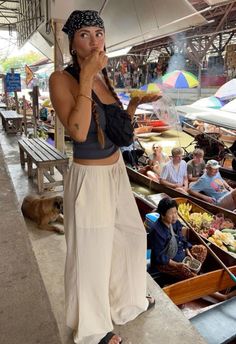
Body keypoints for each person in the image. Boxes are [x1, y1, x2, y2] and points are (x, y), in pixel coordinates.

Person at [49, 10, 158, 344]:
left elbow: (119, 134)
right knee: (90, 255)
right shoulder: (61, 79)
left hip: (116, 173)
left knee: (131, 238)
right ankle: (93, 329)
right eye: (85, 35)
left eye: (99, 33)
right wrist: (86, 76)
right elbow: (80, 131)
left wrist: (135, 105)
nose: (95, 41)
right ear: (72, 42)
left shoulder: (103, 77)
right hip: (90, 179)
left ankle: (127, 302)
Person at [149, 197, 207, 280]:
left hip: (180, 254)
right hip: (166, 262)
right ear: (162, 215)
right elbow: (159, 256)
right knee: (186, 270)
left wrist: (189, 254)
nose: (175, 216)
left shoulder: (176, 223)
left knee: (202, 249)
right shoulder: (157, 231)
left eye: (176, 212)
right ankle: (192, 276)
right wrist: (177, 265)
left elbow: (182, 239)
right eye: (171, 214)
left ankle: (193, 271)